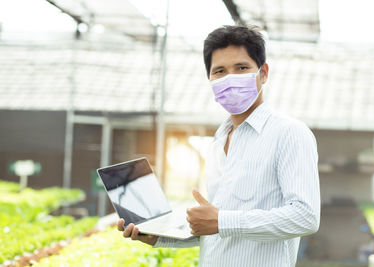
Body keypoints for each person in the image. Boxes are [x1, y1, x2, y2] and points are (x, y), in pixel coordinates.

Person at [118, 25, 320, 267]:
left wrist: (222, 221)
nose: (230, 79)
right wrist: (158, 238)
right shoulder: (219, 140)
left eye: (242, 68)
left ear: (263, 73)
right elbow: (218, 232)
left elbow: (305, 217)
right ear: (210, 79)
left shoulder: (289, 133)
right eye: (220, 71)